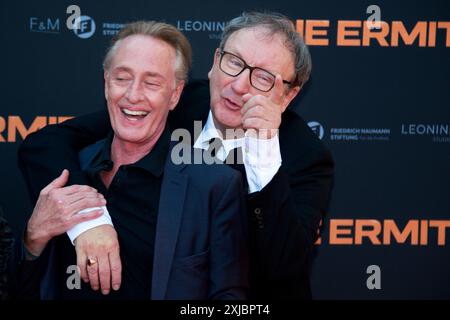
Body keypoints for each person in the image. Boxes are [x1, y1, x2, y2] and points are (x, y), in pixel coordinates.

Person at [19, 12, 334, 299]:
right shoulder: (171, 100)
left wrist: (265, 152)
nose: (238, 85)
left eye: (264, 77)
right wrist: (86, 216)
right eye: (234, 62)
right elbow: (48, 143)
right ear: (215, 61)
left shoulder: (305, 156)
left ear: (289, 95)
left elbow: (283, 272)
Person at [16, 21, 248, 300]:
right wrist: (32, 240)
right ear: (106, 83)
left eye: (151, 82)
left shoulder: (213, 184)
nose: (133, 95)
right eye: (122, 78)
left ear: (174, 95)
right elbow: (23, 288)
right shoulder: (70, 169)